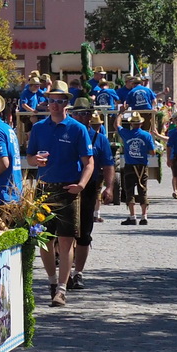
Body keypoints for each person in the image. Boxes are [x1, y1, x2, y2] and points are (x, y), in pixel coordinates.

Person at [26, 81, 93, 308]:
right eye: (51, 100)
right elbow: (30, 157)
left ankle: (62, 290)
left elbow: (89, 162)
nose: (54, 105)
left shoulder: (77, 129)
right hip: (44, 189)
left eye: (59, 101)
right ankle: (52, 282)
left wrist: (81, 185)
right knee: (44, 240)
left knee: (66, 241)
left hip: (68, 189)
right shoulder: (38, 128)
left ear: (67, 103)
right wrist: (35, 161)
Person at [69, 98, 115, 291]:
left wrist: (110, 187)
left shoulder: (99, 139)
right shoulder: (66, 134)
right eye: (78, 113)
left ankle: (78, 272)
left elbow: (108, 165)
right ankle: (64, 268)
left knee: (84, 232)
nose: (81, 117)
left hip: (88, 188)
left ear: (91, 116)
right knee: (64, 231)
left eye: (85, 113)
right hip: (66, 186)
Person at [115, 112, 157, 226]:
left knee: (130, 191)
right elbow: (152, 153)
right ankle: (144, 216)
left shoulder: (126, 133)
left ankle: (132, 216)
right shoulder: (146, 135)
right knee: (143, 190)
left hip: (130, 165)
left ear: (131, 124)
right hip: (142, 166)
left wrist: (120, 113)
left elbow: (117, 125)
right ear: (141, 123)